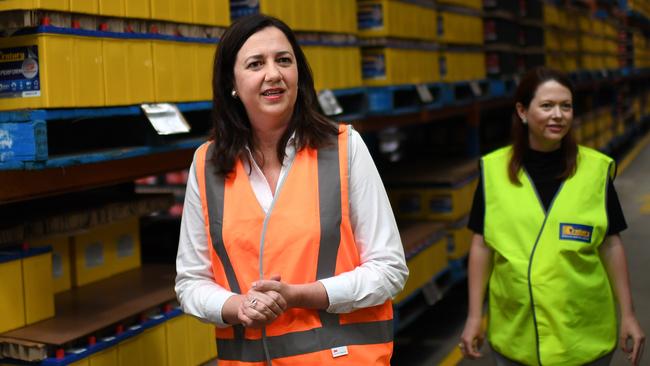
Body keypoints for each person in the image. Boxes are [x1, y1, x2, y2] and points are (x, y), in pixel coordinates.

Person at [174, 14, 408, 365]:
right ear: (231, 84)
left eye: (284, 60)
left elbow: (390, 269)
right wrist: (237, 307)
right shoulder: (207, 165)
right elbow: (190, 282)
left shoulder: (344, 147)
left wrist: (302, 295)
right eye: (256, 64)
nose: (273, 73)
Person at [459, 67, 645, 365]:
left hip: (583, 336)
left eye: (566, 106)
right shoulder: (493, 171)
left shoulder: (595, 170)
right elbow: (481, 245)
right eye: (547, 106)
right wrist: (473, 316)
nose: (558, 115)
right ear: (522, 110)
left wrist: (629, 315)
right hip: (516, 335)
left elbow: (611, 244)